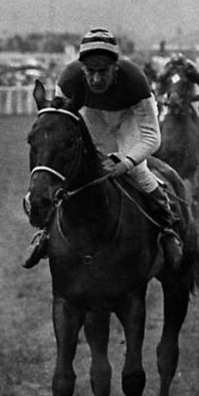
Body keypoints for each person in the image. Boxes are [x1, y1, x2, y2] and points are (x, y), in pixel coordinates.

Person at [22, 28, 184, 270]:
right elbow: (60, 126)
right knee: (73, 174)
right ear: (82, 68)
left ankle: (167, 226)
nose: (96, 79)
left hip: (128, 118)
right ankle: (46, 233)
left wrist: (125, 162)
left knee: (138, 172)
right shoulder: (68, 79)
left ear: (115, 68)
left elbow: (152, 136)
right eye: (90, 71)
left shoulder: (135, 80)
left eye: (103, 71)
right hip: (93, 115)